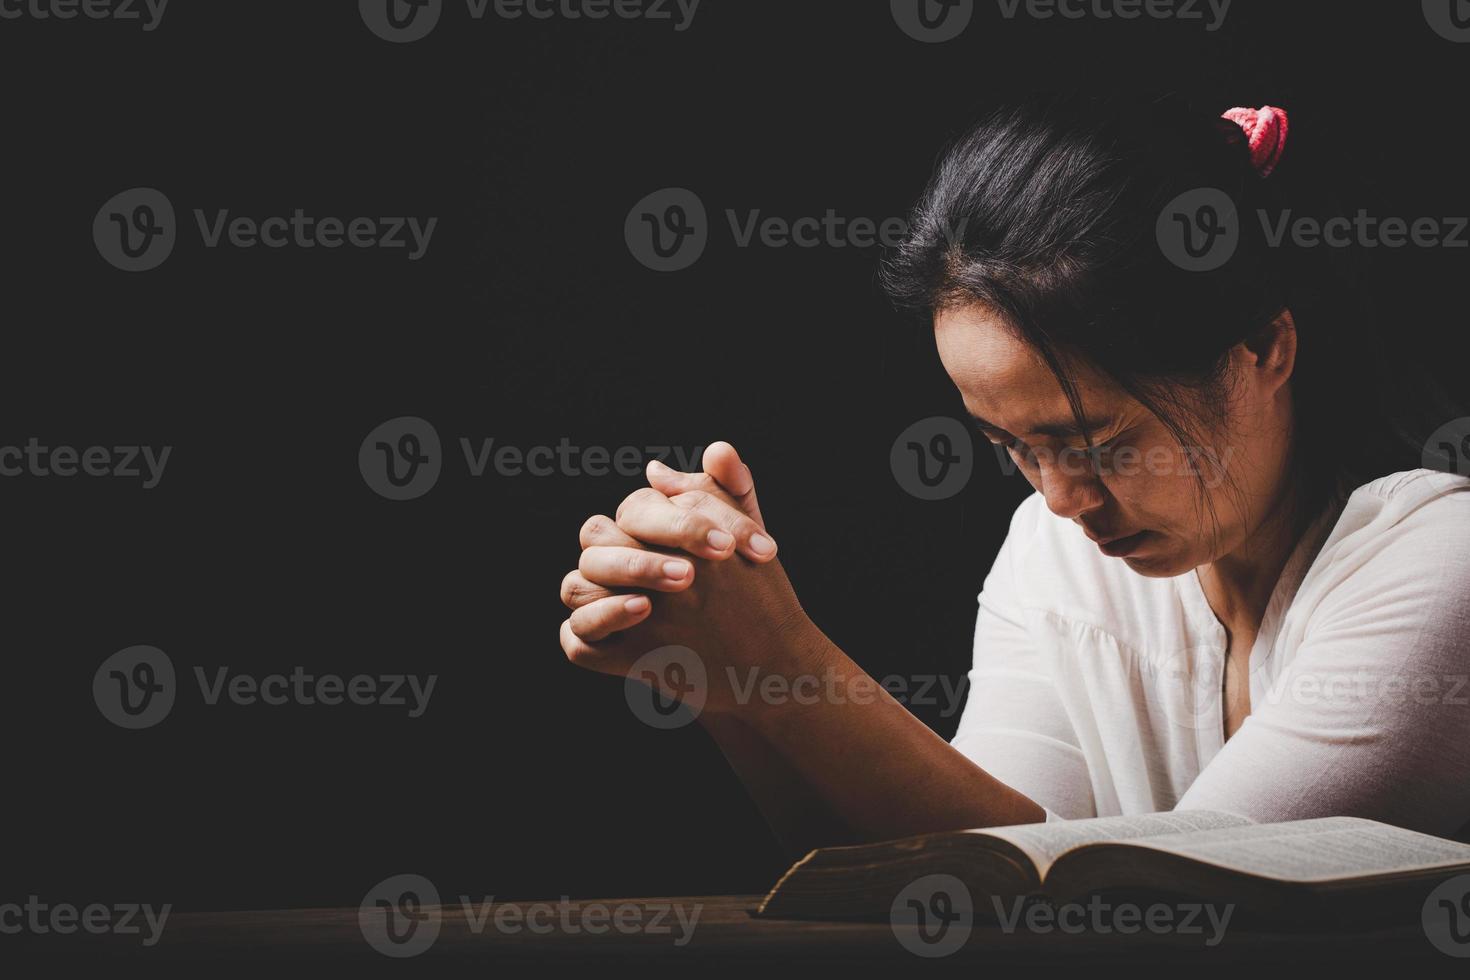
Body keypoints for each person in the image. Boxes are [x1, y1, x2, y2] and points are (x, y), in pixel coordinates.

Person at [557, 92, 1470, 855]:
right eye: (1012, 449)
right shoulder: (1054, 551)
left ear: (1265, 347)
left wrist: (786, 659)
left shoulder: (1443, 563)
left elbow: (1175, 909)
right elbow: (964, 875)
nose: (1063, 499)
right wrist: (730, 680)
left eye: (1100, 441)